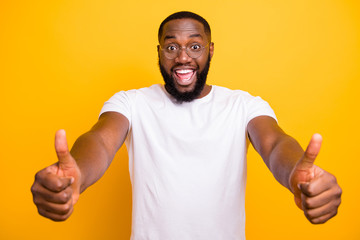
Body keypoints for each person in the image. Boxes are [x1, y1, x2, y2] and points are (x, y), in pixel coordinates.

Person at [31, 11, 342, 240]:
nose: (183, 57)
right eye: (171, 47)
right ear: (159, 53)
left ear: (210, 50)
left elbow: (275, 144)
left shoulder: (243, 105)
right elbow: (100, 141)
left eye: (195, 46)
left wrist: (295, 175)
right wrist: (78, 175)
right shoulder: (131, 103)